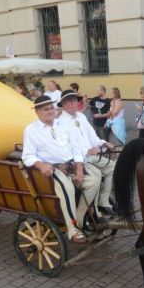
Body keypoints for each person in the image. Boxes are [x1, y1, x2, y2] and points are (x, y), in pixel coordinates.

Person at [22, 96, 100, 244]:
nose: (50, 111)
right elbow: (27, 156)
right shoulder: (31, 130)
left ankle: (80, 216)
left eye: (51, 108)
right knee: (67, 187)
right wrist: (40, 165)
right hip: (51, 170)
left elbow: (76, 149)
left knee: (94, 181)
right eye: (46, 109)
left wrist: (79, 169)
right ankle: (72, 229)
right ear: (37, 112)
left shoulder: (62, 125)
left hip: (71, 165)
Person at [56, 91, 113, 217]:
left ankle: (103, 201)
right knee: (96, 176)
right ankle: (89, 212)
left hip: (90, 156)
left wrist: (103, 143)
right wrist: (86, 151)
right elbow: (65, 148)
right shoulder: (60, 122)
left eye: (75, 100)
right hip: (79, 159)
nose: (73, 103)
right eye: (69, 101)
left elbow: (92, 137)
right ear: (63, 104)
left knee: (113, 167)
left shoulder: (81, 117)